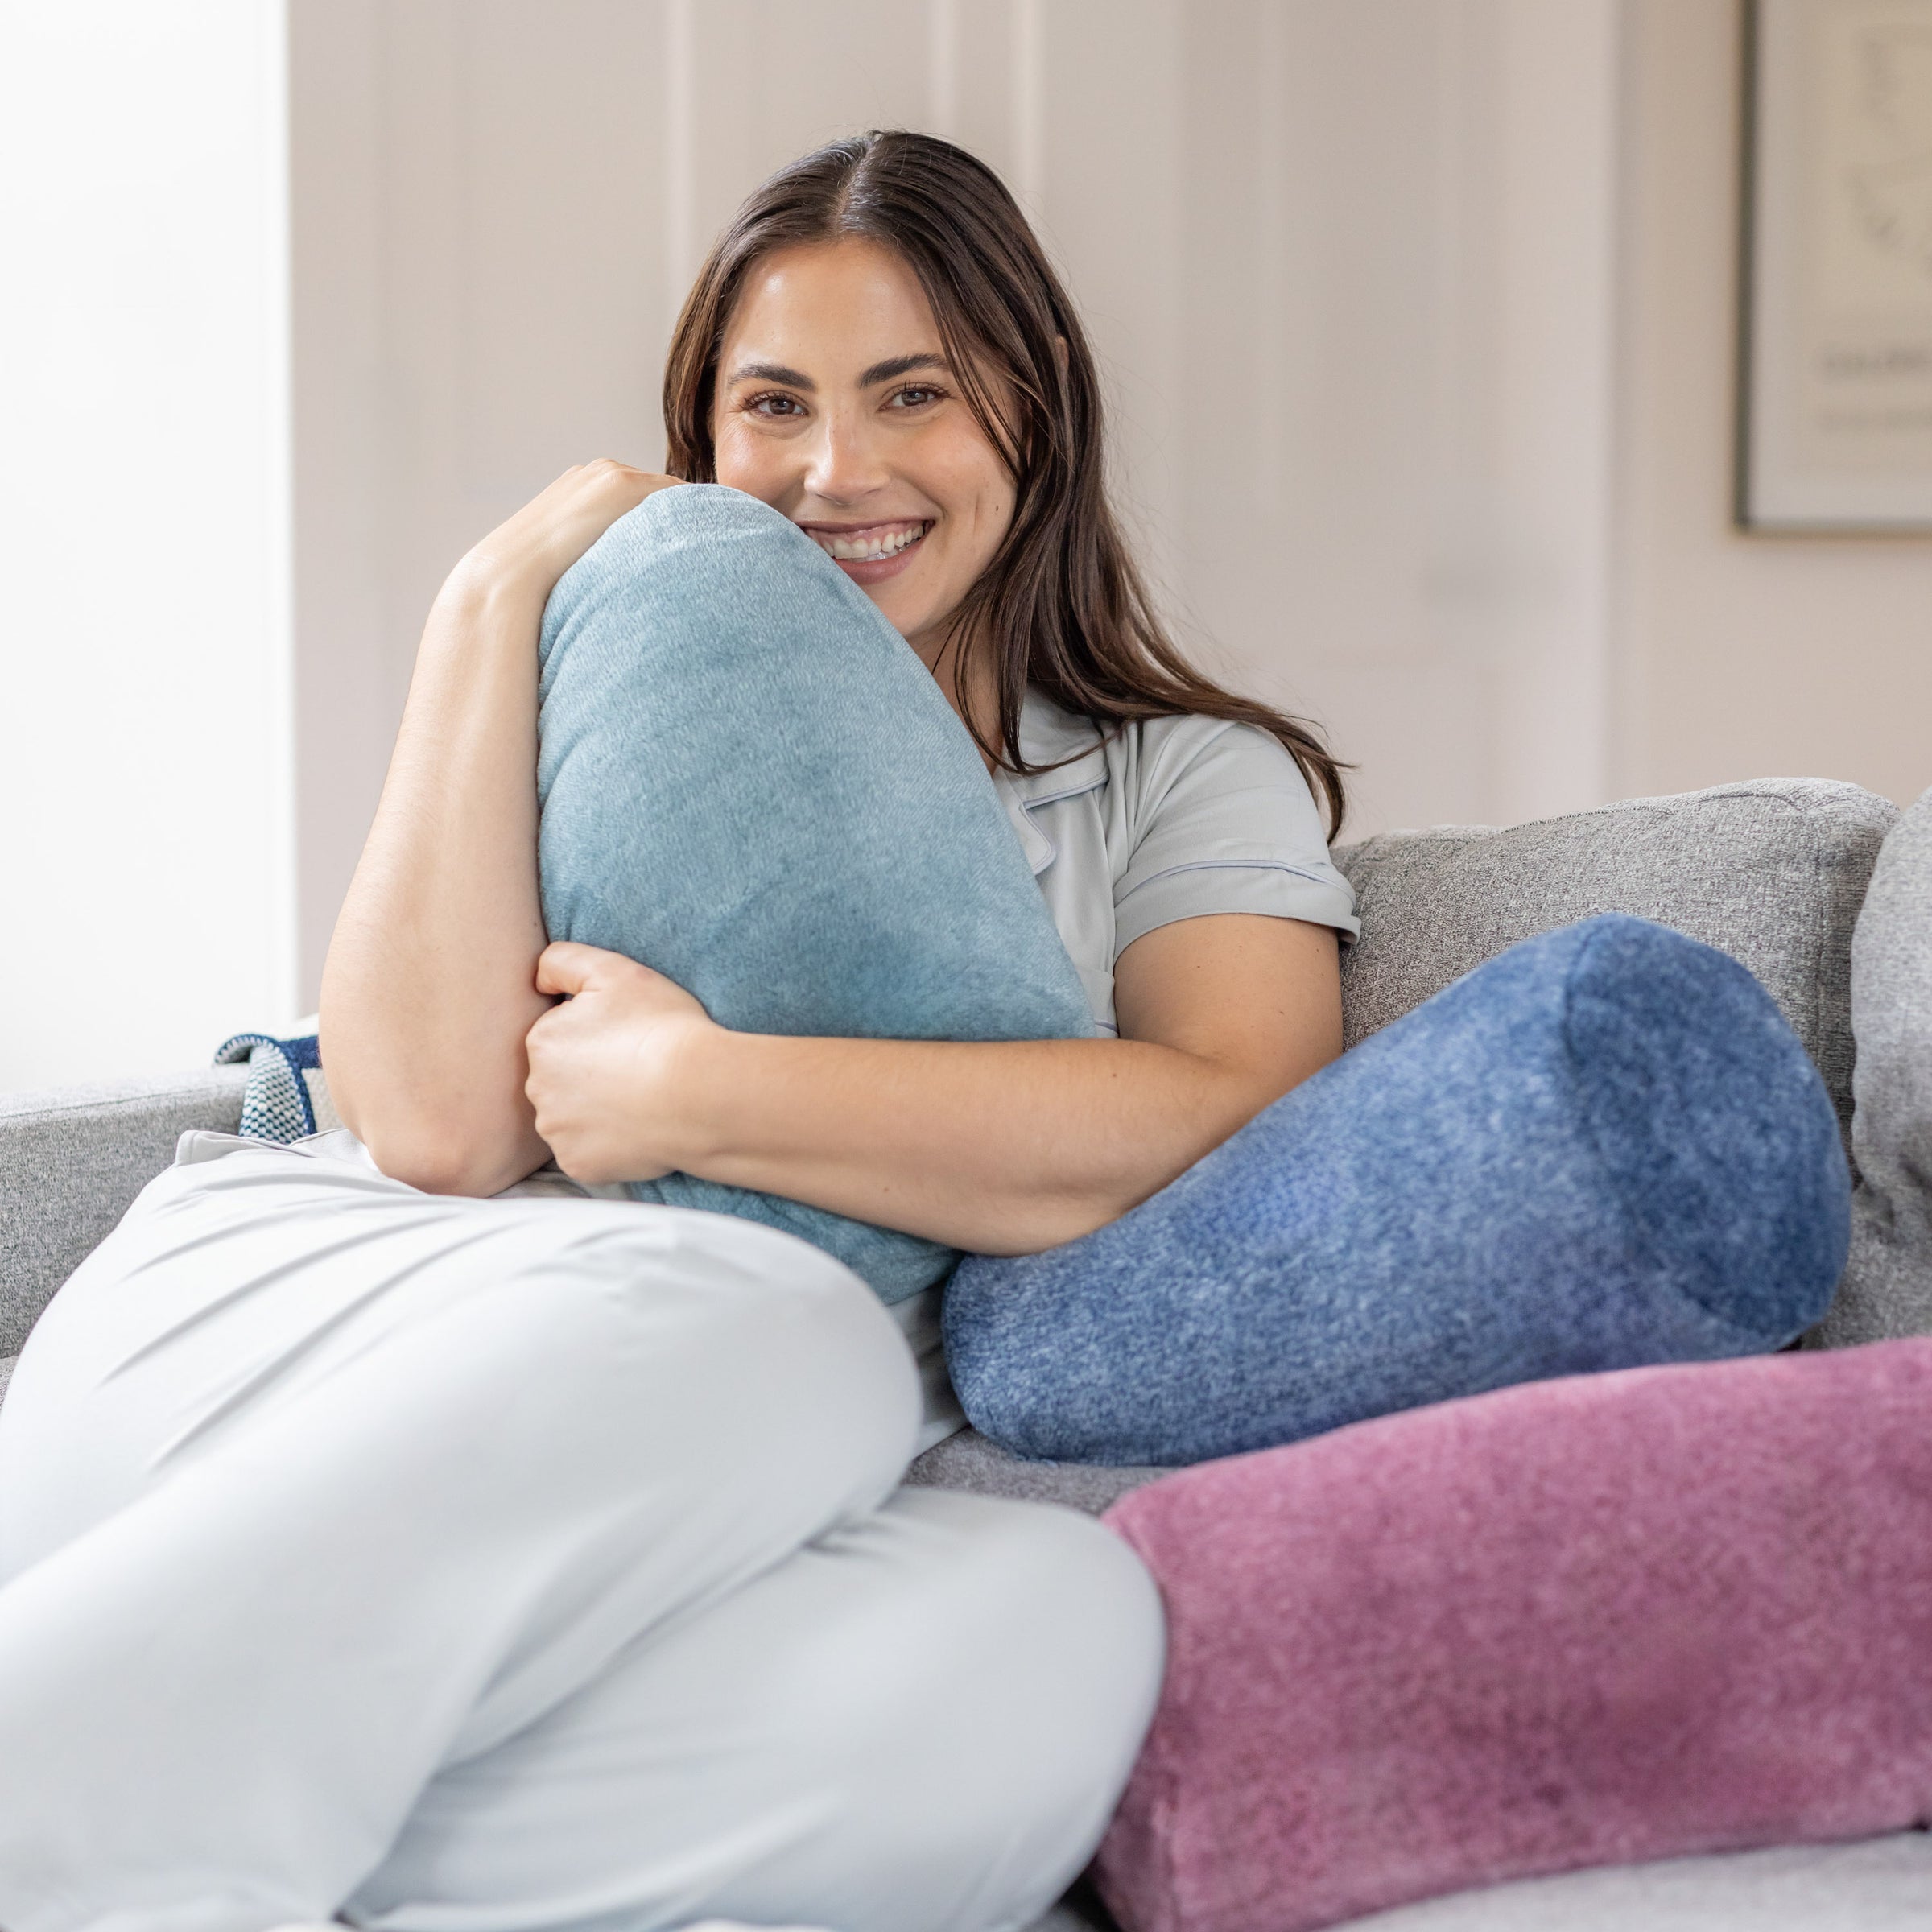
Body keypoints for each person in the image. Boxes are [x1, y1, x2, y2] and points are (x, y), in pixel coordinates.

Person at [0, 131, 1359, 1932]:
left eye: (912, 397)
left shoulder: (1179, 782)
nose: (835, 470)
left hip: (658, 1495)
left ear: (1038, 416)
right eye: (771, 407)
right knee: (791, 1338)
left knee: (1062, 1634)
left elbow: (1231, 1119)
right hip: (307, 1315)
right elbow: (429, 1131)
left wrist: (697, 1090)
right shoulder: (631, 683)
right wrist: (491, 601)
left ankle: (208, 1836)